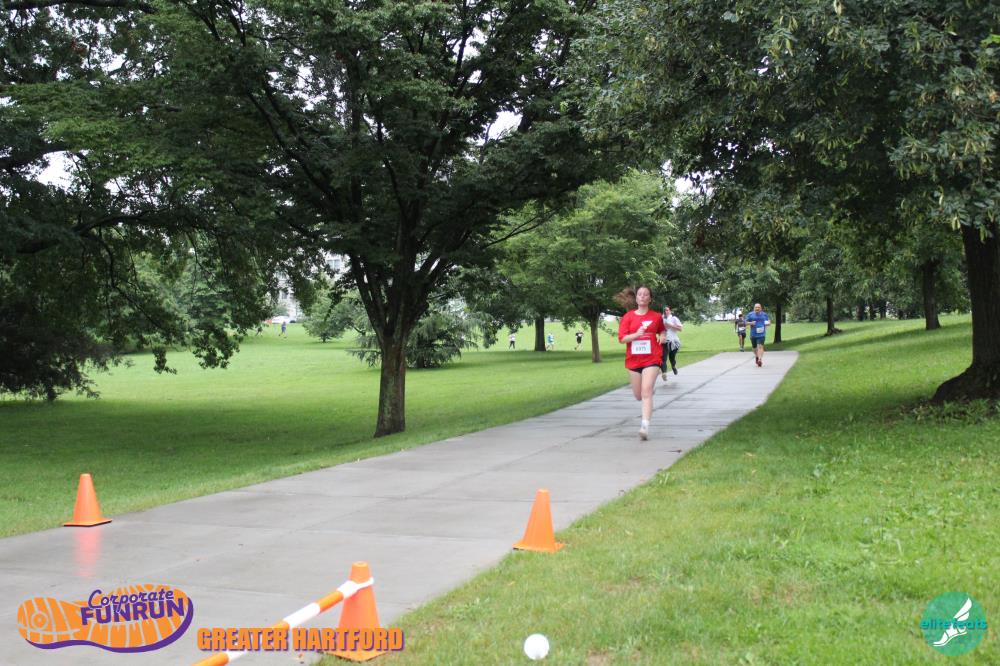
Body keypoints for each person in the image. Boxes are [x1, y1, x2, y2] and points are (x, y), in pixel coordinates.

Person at [617, 286, 667, 440]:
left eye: (646, 294)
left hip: (652, 358)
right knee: (639, 395)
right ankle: (648, 391)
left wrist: (663, 336)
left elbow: (662, 330)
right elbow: (622, 339)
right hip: (634, 360)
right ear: (636, 298)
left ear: (650, 299)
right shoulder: (628, 317)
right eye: (640, 294)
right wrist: (636, 335)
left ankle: (644, 426)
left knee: (646, 391)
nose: (643, 296)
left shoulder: (656, 316)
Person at [661, 306, 683, 378]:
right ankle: (664, 373)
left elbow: (680, 329)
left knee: (672, 358)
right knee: (663, 358)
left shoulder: (674, 319)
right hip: (664, 341)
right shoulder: (661, 319)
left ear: (670, 311)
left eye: (667, 310)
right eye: (664, 310)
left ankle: (673, 366)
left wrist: (671, 325)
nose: (666, 312)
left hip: (673, 342)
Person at [745, 303, 771, 367]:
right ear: (754, 308)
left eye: (758, 307)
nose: (757, 308)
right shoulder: (750, 314)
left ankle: (759, 360)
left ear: (761, 308)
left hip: (762, 334)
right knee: (754, 348)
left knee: (760, 346)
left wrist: (769, 323)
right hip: (753, 334)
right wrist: (751, 323)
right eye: (756, 307)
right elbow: (745, 323)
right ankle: (757, 356)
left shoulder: (764, 314)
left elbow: (768, 321)